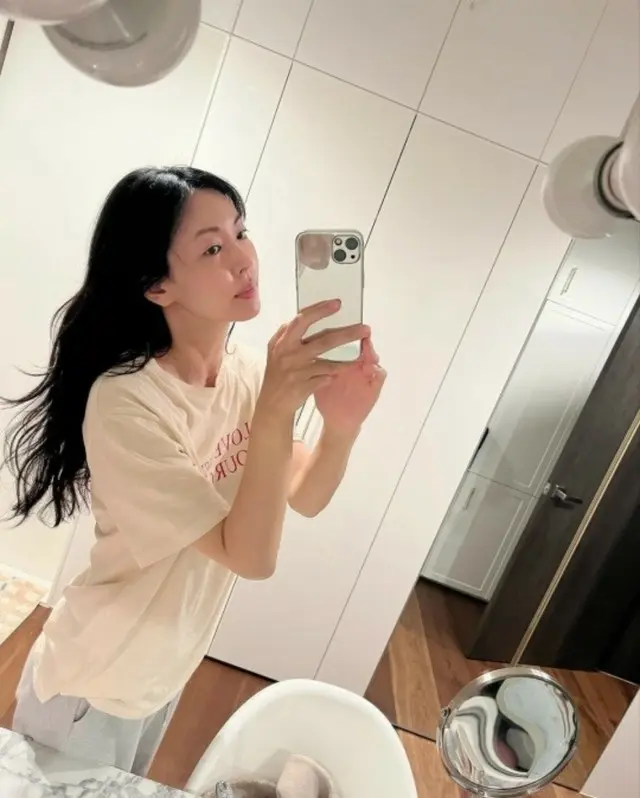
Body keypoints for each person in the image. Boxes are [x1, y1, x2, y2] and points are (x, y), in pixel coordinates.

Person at [3, 166, 385, 776]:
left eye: (241, 232)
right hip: (94, 682)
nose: (243, 259)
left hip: (163, 672)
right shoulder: (127, 401)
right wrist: (275, 409)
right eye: (212, 248)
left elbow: (305, 493)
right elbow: (250, 556)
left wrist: (341, 427)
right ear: (157, 286)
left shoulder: (246, 373)